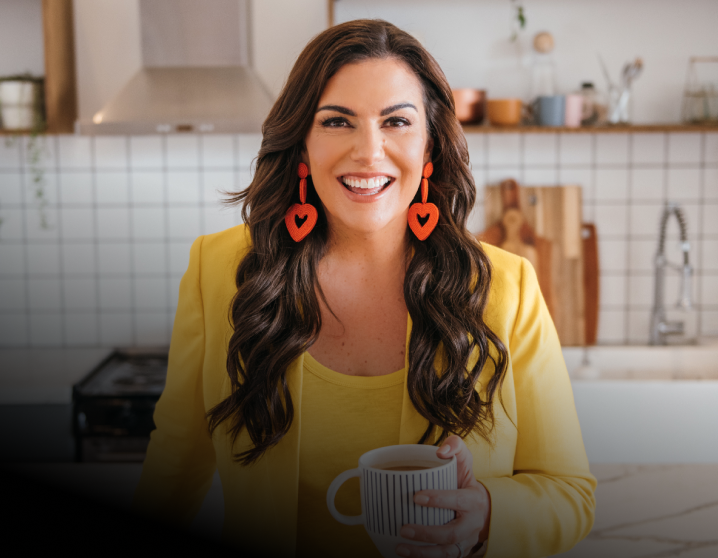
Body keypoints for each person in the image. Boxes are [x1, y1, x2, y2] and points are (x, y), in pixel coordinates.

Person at [132, 19, 596, 558]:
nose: (369, 152)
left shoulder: (505, 288)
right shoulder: (219, 272)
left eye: (396, 121)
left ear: (429, 147)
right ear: (302, 144)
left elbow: (569, 491)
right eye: (337, 122)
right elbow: (173, 472)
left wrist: (488, 513)